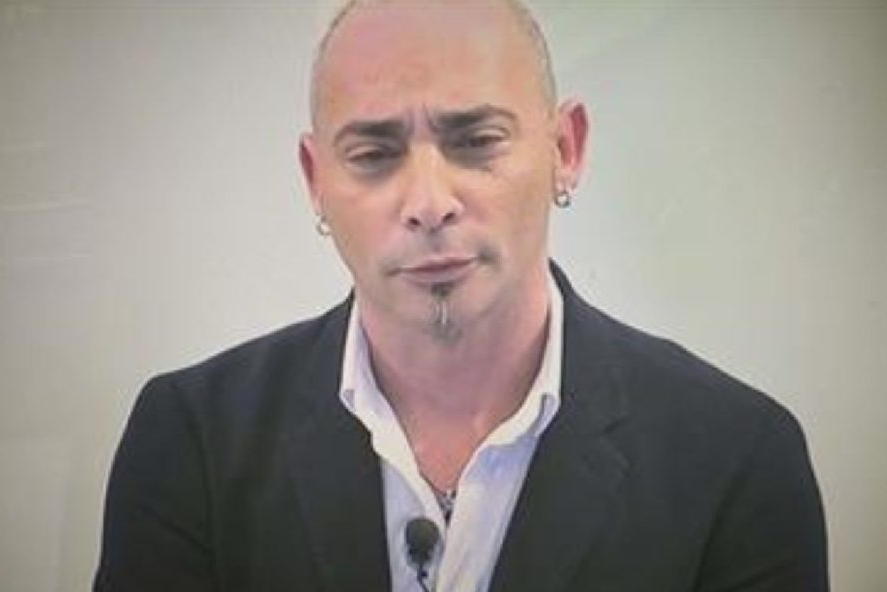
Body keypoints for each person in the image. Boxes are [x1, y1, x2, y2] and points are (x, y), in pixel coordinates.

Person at [94, 1, 828, 590]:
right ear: (315, 180)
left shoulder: (736, 458)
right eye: (374, 154)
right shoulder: (192, 441)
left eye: (475, 140)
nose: (428, 203)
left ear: (565, 150)